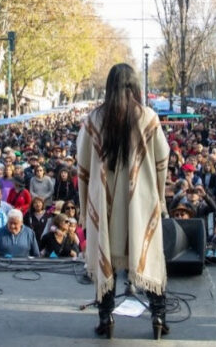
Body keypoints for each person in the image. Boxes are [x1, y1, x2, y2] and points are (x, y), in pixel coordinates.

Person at [77, 64, 170, 340]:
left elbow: (82, 166)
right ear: (135, 87)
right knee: (150, 256)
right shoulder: (148, 117)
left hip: (103, 205)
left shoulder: (93, 119)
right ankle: (158, 317)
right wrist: (159, 195)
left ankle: (106, 319)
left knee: (104, 260)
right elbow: (162, 160)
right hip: (139, 204)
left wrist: (85, 206)